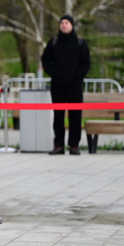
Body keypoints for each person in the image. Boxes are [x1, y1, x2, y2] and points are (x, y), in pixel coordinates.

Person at [41, 14, 91, 155]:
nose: (64, 25)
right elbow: (45, 60)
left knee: (75, 116)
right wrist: (54, 74)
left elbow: (86, 64)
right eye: (62, 22)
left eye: (67, 22)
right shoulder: (54, 42)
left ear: (72, 25)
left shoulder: (80, 43)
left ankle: (74, 145)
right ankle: (59, 145)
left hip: (75, 86)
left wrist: (77, 76)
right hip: (58, 86)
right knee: (58, 116)